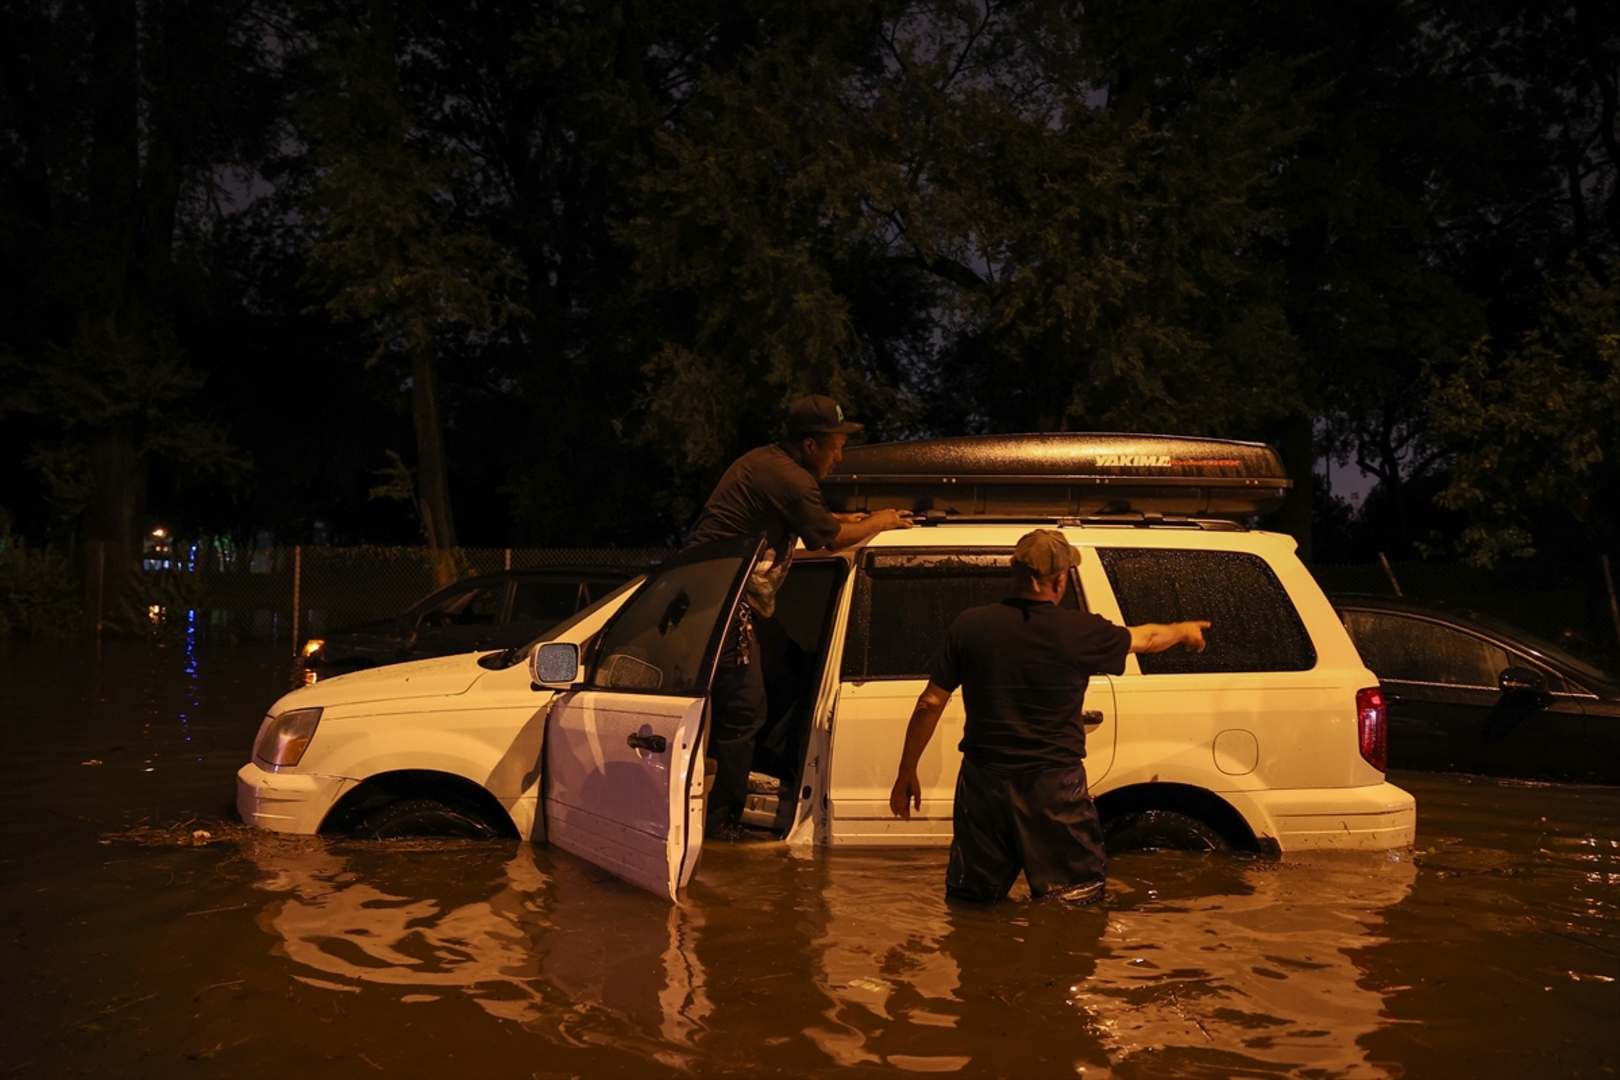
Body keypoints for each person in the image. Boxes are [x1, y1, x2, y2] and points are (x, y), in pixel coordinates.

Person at [888, 529, 1210, 904]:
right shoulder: (1080, 631)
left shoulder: (969, 626)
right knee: (1076, 901)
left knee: (971, 901)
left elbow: (929, 702)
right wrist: (1182, 630)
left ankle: (977, 960)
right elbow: (1147, 638)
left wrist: (906, 771)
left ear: (1014, 571)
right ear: (1059, 580)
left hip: (982, 785)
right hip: (1052, 786)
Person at [687, 394, 914, 841]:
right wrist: (880, 520)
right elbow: (828, 539)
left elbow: (814, 518)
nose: (840, 453)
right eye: (835, 443)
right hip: (726, 609)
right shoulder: (789, 479)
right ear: (810, 444)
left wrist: (856, 517)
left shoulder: (767, 465)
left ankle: (757, 777)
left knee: (789, 668)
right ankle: (721, 825)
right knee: (743, 714)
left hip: (726, 600)